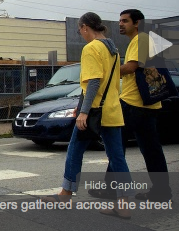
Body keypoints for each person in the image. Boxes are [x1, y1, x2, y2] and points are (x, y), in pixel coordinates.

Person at [41, 12, 134, 219]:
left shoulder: (91, 48)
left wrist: (83, 111)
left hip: (94, 112)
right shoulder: (113, 49)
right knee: (117, 157)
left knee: (74, 150)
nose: (81, 34)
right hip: (111, 110)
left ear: (85, 27)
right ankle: (124, 205)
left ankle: (65, 194)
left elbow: (92, 82)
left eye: (80, 30)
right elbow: (105, 82)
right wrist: (81, 105)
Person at [89, 9, 172, 201]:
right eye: (119, 21)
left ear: (138, 23)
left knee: (116, 145)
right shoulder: (143, 39)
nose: (120, 24)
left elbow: (131, 67)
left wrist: (107, 71)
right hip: (147, 105)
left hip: (133, 103)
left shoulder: (141, 39)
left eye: (125, 21)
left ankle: (111, 189)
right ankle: (162, 192)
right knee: (151, 150)